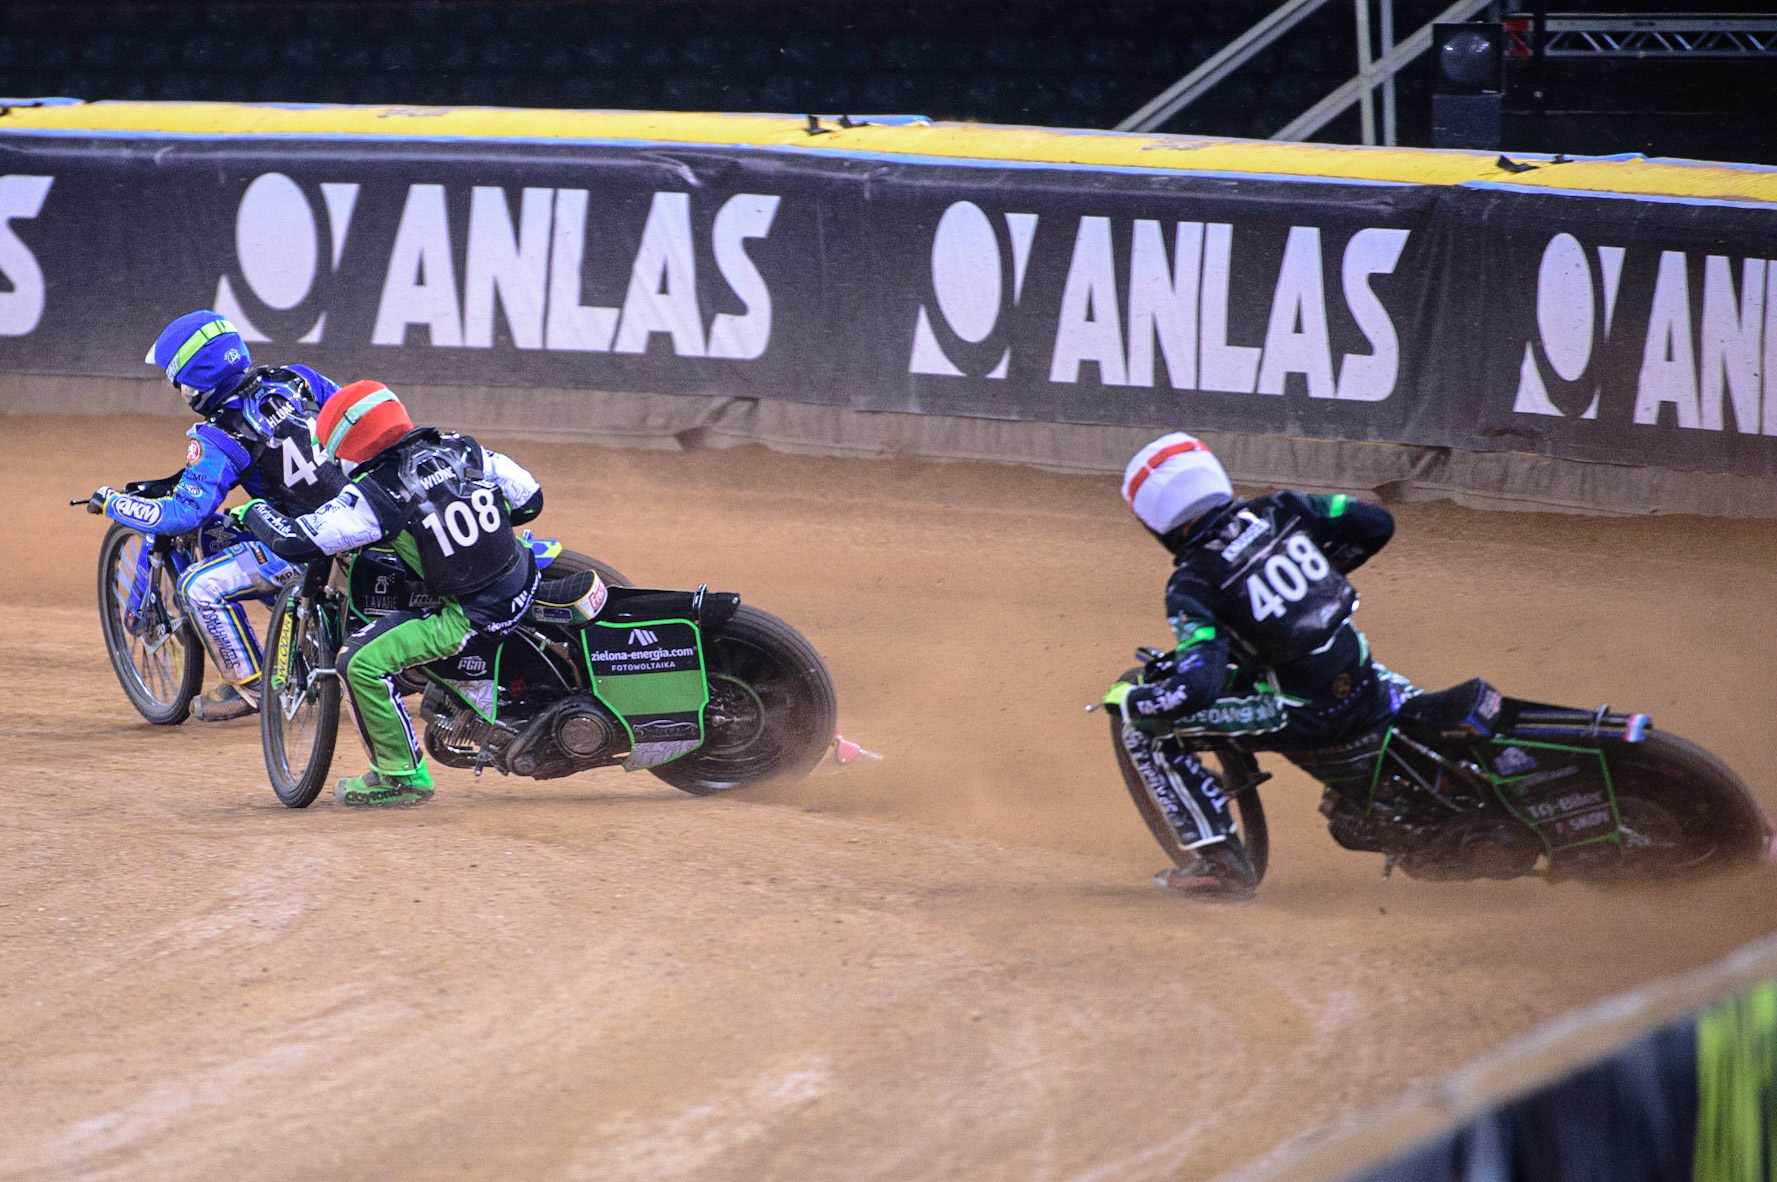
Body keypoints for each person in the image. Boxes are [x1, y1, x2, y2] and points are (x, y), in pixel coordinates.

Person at [1102, 433, 1403, 901]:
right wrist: (1323, 574)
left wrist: (1131, 699)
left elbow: (1197, 688)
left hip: (1303, 713)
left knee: (1142, 729)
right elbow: (1375, 521)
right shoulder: (1281, 510)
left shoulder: (1193, 584)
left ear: (1159, 521)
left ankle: (1223, 867)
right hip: (1364, 676)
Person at [235, 379, 544, 807]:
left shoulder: (375, 494)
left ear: (348, 443)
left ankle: (401, 777)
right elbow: (530, 502)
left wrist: (253, 512)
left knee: (358, 663)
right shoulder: (462, 448)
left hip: (470, 616)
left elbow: (297, 542)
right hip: (525, 576)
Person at [86, 311, 344, 721]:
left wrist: (113, 503)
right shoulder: (297, 378)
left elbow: (184, 513)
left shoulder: (221, 434)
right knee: (225, 532)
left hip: (312, 546)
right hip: (368, 523)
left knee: (197, 586)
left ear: (193, 383)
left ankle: (254, 684)